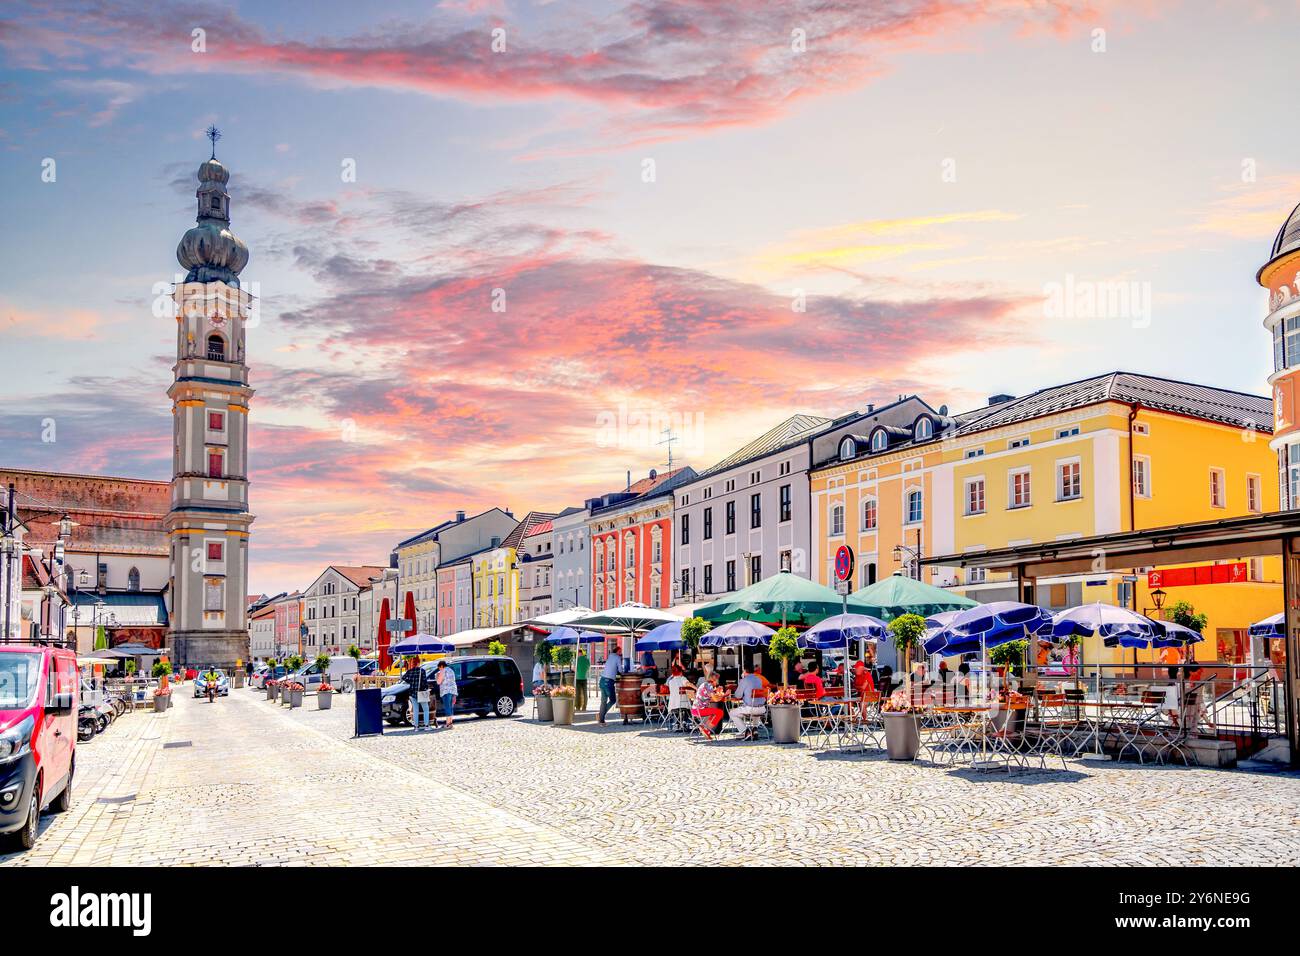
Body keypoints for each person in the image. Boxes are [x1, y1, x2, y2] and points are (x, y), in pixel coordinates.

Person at [730, 663, 766, 739]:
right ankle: (754, 729)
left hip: (750, 709)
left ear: (745, 671)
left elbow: (737, 695)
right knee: (754, 704)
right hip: (762, 709)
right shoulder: (759, 679)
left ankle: (745, 731)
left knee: (732, 713)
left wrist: (742, 681)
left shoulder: (744, 680)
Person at [692, 671, 725, 739]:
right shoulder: (709, 686)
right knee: (720, 712)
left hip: (695, 709)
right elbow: (715, 699)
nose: (717, 682)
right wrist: (725, 695)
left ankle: (705, 729)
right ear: (713, 679)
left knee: (714, 713)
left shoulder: (705, 684)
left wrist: (716, 691)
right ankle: (706, 728)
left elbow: (709, 697)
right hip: (700, 710)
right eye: (717, 680)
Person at [665, 664, 694, 732]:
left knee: (678, 707)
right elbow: (688, 684)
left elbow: (666, 685)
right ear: (681, 672)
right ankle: (685, 723)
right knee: (689, 705)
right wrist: (696, 688)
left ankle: (677, 724)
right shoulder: (682, 678)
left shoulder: (670, 681)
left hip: (673, 705)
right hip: (684, 705)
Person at [598, 648, 622, 724]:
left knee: (603, 701)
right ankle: (600, 716)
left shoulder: (610, 656)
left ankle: (601, 719)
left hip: (602, 680)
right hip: (609, 682)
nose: (621, 653)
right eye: (620, 651)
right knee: (613, 700)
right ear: (617, 651)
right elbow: (620, 670)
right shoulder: (618, 657)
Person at [409, 663, 432, 731]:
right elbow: (424, 682)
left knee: (416, 710)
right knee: (426, 709)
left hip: (412, 692)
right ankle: (426, 726)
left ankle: (416, 727)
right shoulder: (422, 670)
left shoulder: (410, 671)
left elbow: (404, 677)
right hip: (421, 692)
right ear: (418, 663)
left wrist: (411, 682)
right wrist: (427, 689)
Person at [435, 660, 457, 729]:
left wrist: (437, 676)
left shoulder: (443, 671)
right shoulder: (451, 670)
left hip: (445, 691)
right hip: (452, 690)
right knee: (450, 707)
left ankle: (448, 724)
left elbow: (438, 682)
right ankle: (450, 723)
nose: (439, 669)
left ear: (441, 666)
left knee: (447, 707)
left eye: (439, 667)